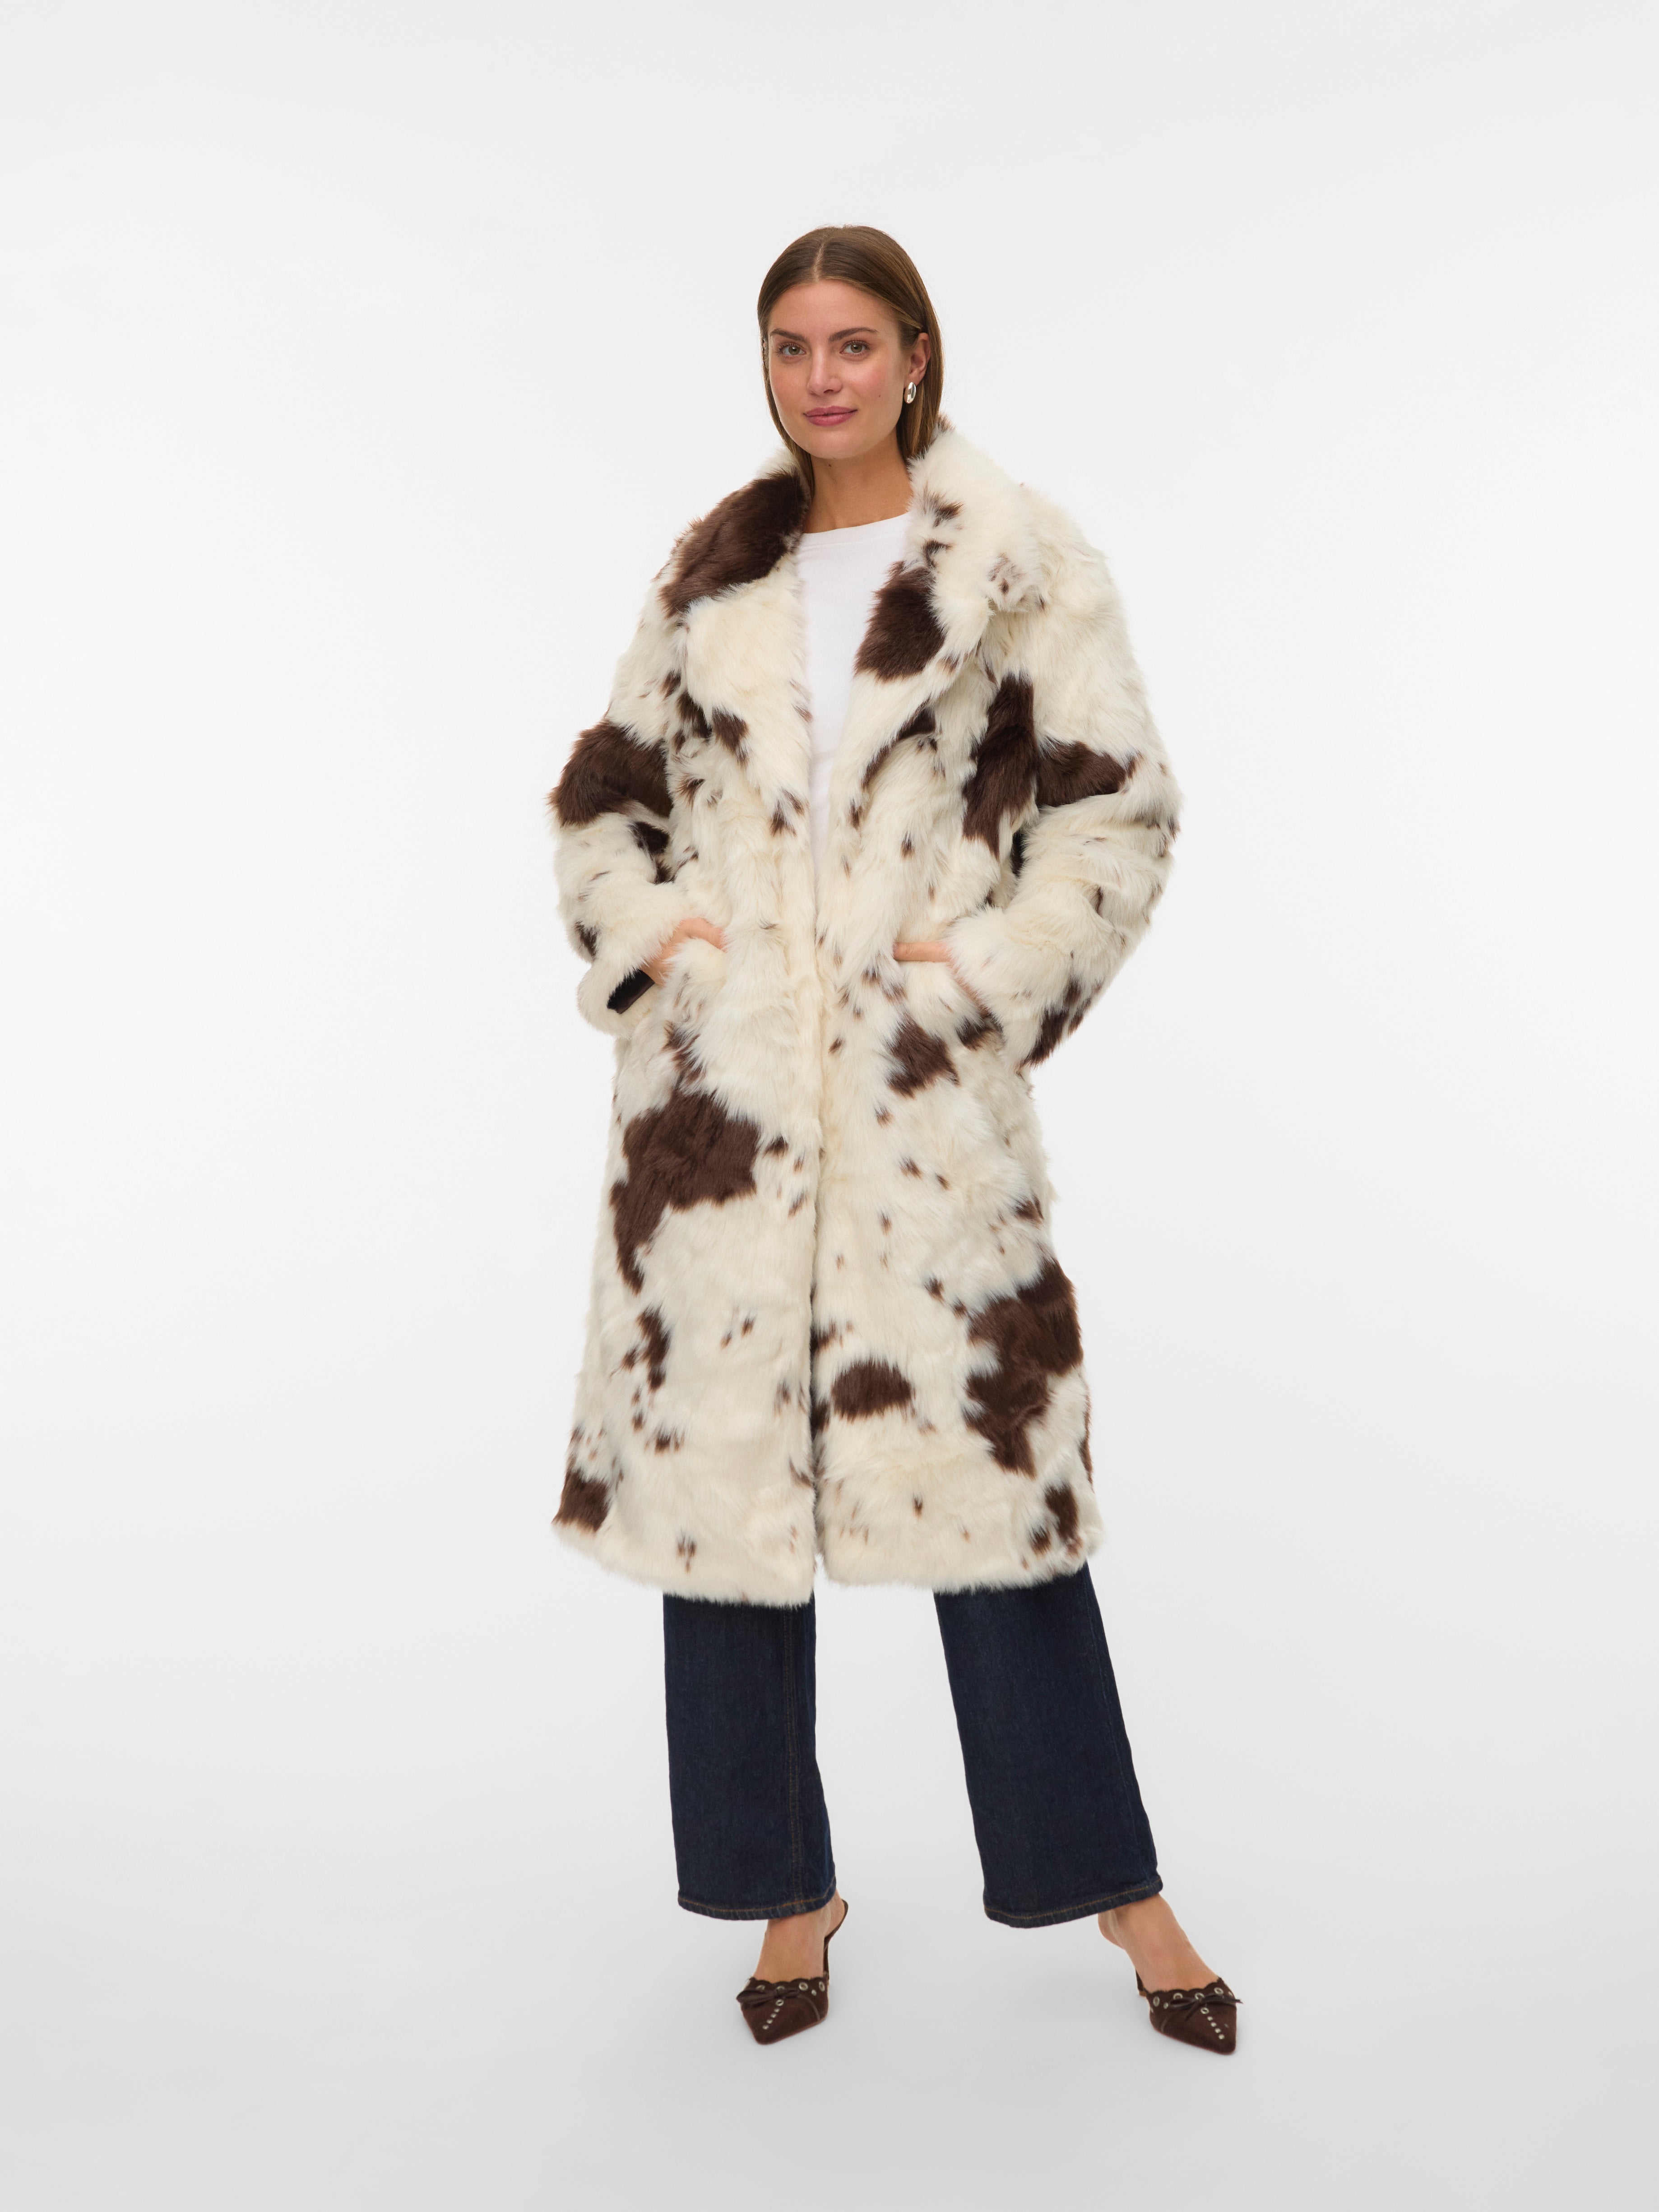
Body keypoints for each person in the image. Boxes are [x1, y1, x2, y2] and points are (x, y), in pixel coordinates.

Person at [548, 225, 1238, 2053]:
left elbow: (1116, 813)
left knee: (998, 1507)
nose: (821, 377)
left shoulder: (1015, 563)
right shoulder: (712, 574)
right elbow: (604, 804)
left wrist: (991, 973)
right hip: (719, 1128)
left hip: (926, 1127)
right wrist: (660, 943)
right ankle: (787, 1892)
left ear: (917, 354)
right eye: (791, 346)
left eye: (853, 343)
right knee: (726, 1516)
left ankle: (1123, 1894)